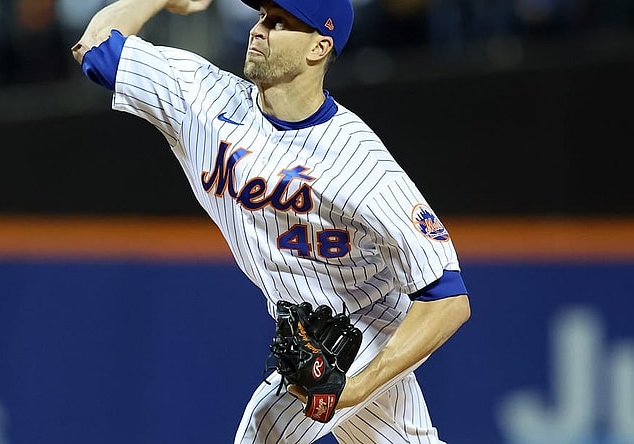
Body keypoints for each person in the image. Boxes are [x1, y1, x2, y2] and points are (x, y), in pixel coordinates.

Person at [70, 0, 471, 442]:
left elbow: (448, 298)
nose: (259, 30)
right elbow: (96, 48)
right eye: (262, 16)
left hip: (367, 329)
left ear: (318, 47)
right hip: (306, 332)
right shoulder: (204, 98)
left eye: (280, 23)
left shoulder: (361, 164)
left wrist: (353, 389)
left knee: (265, 430)